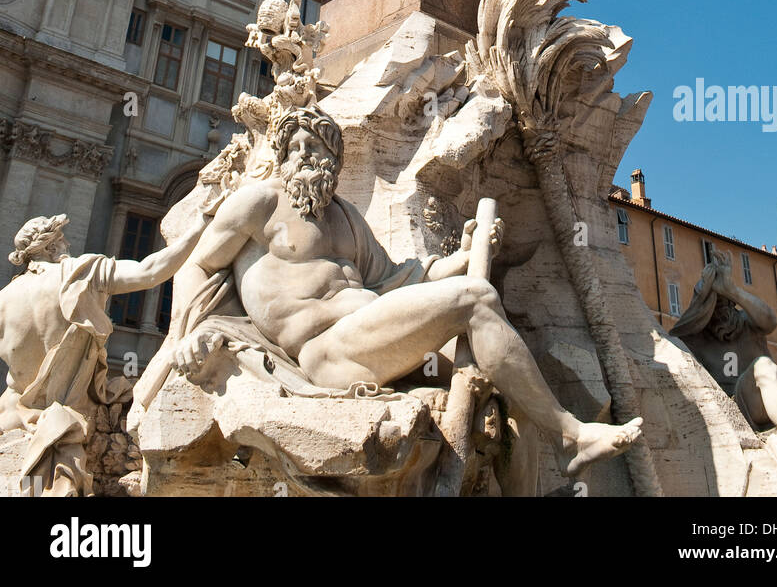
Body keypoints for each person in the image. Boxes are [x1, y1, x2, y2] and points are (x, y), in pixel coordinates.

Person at [149, 104, 642, 481]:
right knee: (474, 299)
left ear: (335, 160)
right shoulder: (260, 202)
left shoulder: (346, 219)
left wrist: (465, 250)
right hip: (323, 353)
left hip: (372, 337)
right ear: (280, 156)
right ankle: (572, 434)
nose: (305, 155)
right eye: (295, 146)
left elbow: (403, 282)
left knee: (502, 395)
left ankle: (543, 460)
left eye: (317, 147)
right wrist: (188, 334)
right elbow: (196, 263)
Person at [0, 207, 210, 494]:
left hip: (12, 417)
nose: (68, 246)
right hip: (68, 419)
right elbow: (150, 271)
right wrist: (200, 226)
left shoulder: (4, 297)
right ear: (50, 247)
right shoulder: (79, 273)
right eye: (62, 241)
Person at [671, 250, 777, 490]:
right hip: (741, 406)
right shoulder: (694, 340)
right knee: (763, 367)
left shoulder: (747, 324)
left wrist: (732, 289)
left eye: (728, 304)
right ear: (704, 310)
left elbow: (771, 320)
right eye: (715, 304)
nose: (724, 310)